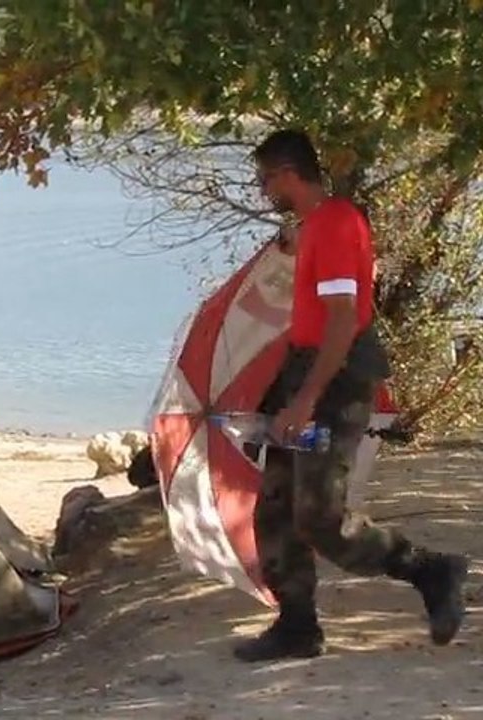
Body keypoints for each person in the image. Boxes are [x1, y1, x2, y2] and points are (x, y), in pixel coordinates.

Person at [234, 129, 469, 663]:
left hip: (333, 382)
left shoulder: (337, 224)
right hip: (306, 374)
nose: (264, 188)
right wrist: (296, 243)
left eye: (266, 178)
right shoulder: (319, 224)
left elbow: (343, 320)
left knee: (318, 516)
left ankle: (431, 569)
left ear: (288, 174)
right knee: (275, 508)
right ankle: (297, 627)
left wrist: (304, 401)